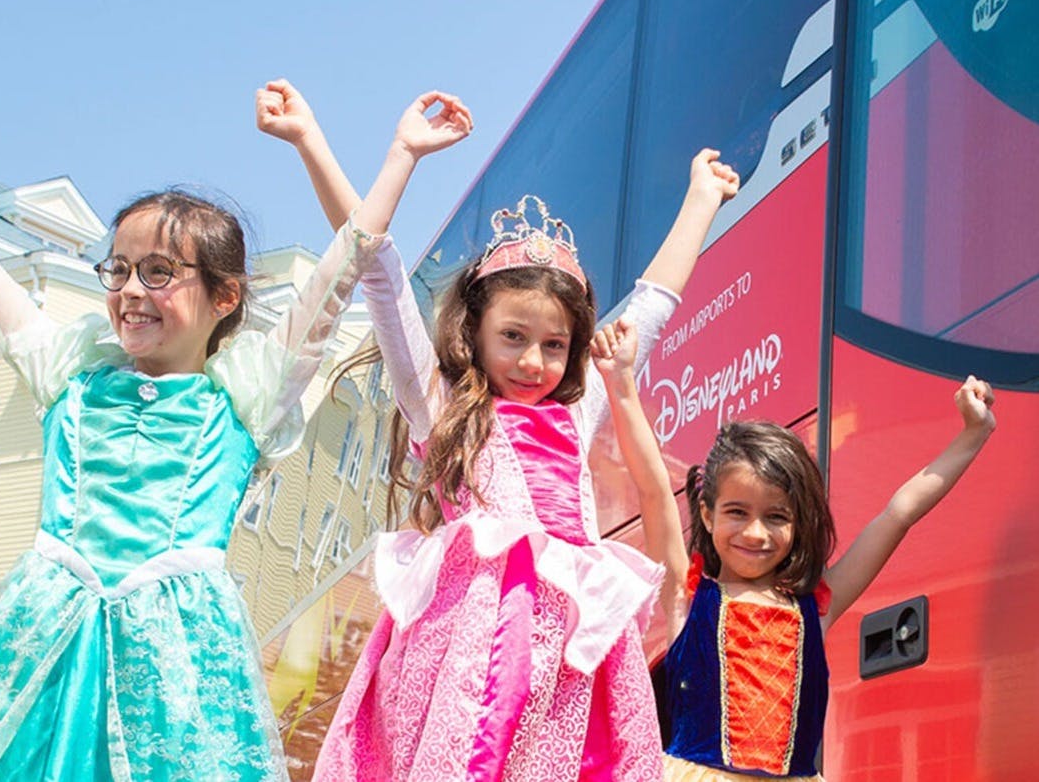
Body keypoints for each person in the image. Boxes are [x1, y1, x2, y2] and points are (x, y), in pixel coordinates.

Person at [0, 98, 434, 778]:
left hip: (177, 656)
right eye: (118, 270)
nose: (130, 291)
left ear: (225, 297)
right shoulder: (69, 380)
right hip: (47, 634)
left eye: (159, 273)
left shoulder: (243, 398)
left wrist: (395, 155)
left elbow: (341, 273)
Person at [256, 79, 737, 780]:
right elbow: (380, 274)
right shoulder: (442, 406)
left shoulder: (578, 411)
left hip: (568, 655)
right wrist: (353, 147)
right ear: (474, 331)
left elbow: (653, 304)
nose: (534, 361)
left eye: (555, 345)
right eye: (513, 336)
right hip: (465, 648)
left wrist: (700, 200)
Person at [659, 377, 996, 781]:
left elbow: (899, 514)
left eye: (777, 516)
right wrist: (622, 382)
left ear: (798, 524)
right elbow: (651, 488)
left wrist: (974, 434)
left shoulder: (814, 608)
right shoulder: (689, 597)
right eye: (737, 512)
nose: (755, 533)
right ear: (707, 512)